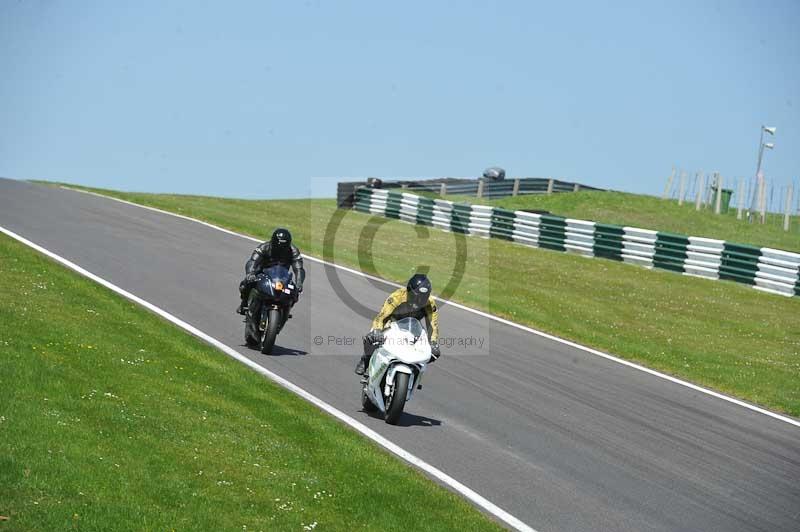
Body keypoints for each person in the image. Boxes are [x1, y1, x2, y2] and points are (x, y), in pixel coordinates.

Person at [355, 273, 441, 376]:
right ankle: (366, 359)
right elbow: (382, 316)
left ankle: (415, 371)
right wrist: (377, 330)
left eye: (424, 298)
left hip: (413, 328)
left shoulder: (430, 303)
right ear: (409, 291)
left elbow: (433, 325)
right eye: (416, 297)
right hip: (392, 324)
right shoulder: (397, 297)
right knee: (371, 339)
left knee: (433, 353)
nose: (419, 301)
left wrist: (433, 342)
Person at [236, 228, 305, 315]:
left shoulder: (293, 251)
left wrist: (299, 282)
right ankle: (244, 303)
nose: (281, 249)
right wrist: (250, 273)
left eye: (284, 246)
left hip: (281, 277)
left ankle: (286, 310)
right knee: (245, 284)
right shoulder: (264, 247)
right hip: (262, 273)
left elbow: (299, 268)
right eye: (278, 245)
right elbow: (253, 261)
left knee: (294, 292)